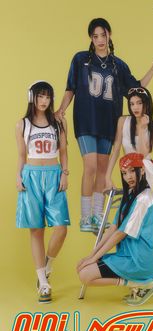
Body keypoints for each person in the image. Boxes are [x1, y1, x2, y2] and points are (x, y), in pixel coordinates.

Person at [55, 18, 153, 233]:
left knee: (103, 170)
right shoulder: (81, 59)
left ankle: (97, 214)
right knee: (91, 166)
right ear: (91, 38)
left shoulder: (118, 65)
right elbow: (70, 88)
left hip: (108, 123)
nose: (100, 40)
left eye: (103, 35)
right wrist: (60, 109)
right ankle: (86, 216)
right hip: (85, 120)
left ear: (109, 35)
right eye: (95, 36)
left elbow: (136, 87)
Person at [77, 153, 153, 306]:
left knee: (85, 275)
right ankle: (137, 283)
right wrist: (91, 256)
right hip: (127, 256)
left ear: (141, 171)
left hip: (139, 260)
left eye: (132, 171)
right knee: (81, 267)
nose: (128, 176)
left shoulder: (144, 198)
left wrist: (93, 259)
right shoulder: (129, 194)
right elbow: (113, 227)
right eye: (124, 173)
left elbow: (121, 233)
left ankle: (139, 284)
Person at [16, 81, 70, 303]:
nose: (43, 101)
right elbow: (21, 155)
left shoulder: (58, 122)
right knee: (36, 229)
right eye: (40, 96)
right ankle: (43, 282)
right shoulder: (23, 124)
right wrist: (18, 176)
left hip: (54, 174)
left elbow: (64, 150)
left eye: (47, 97)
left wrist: (65, 173)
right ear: (32, 98)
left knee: (60, 228)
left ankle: (48, 265)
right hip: (31, 176)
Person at [105, 87, 153, 191]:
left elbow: (142, 155)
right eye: (132, 104)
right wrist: (107, 177)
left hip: (147, 168)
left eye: (139, 103)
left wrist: (142, 128)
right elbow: (116, 151)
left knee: (138, 192)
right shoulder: (123, 121)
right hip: (129, 169)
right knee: (130, 177)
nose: (135, 107)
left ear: (147, 104)